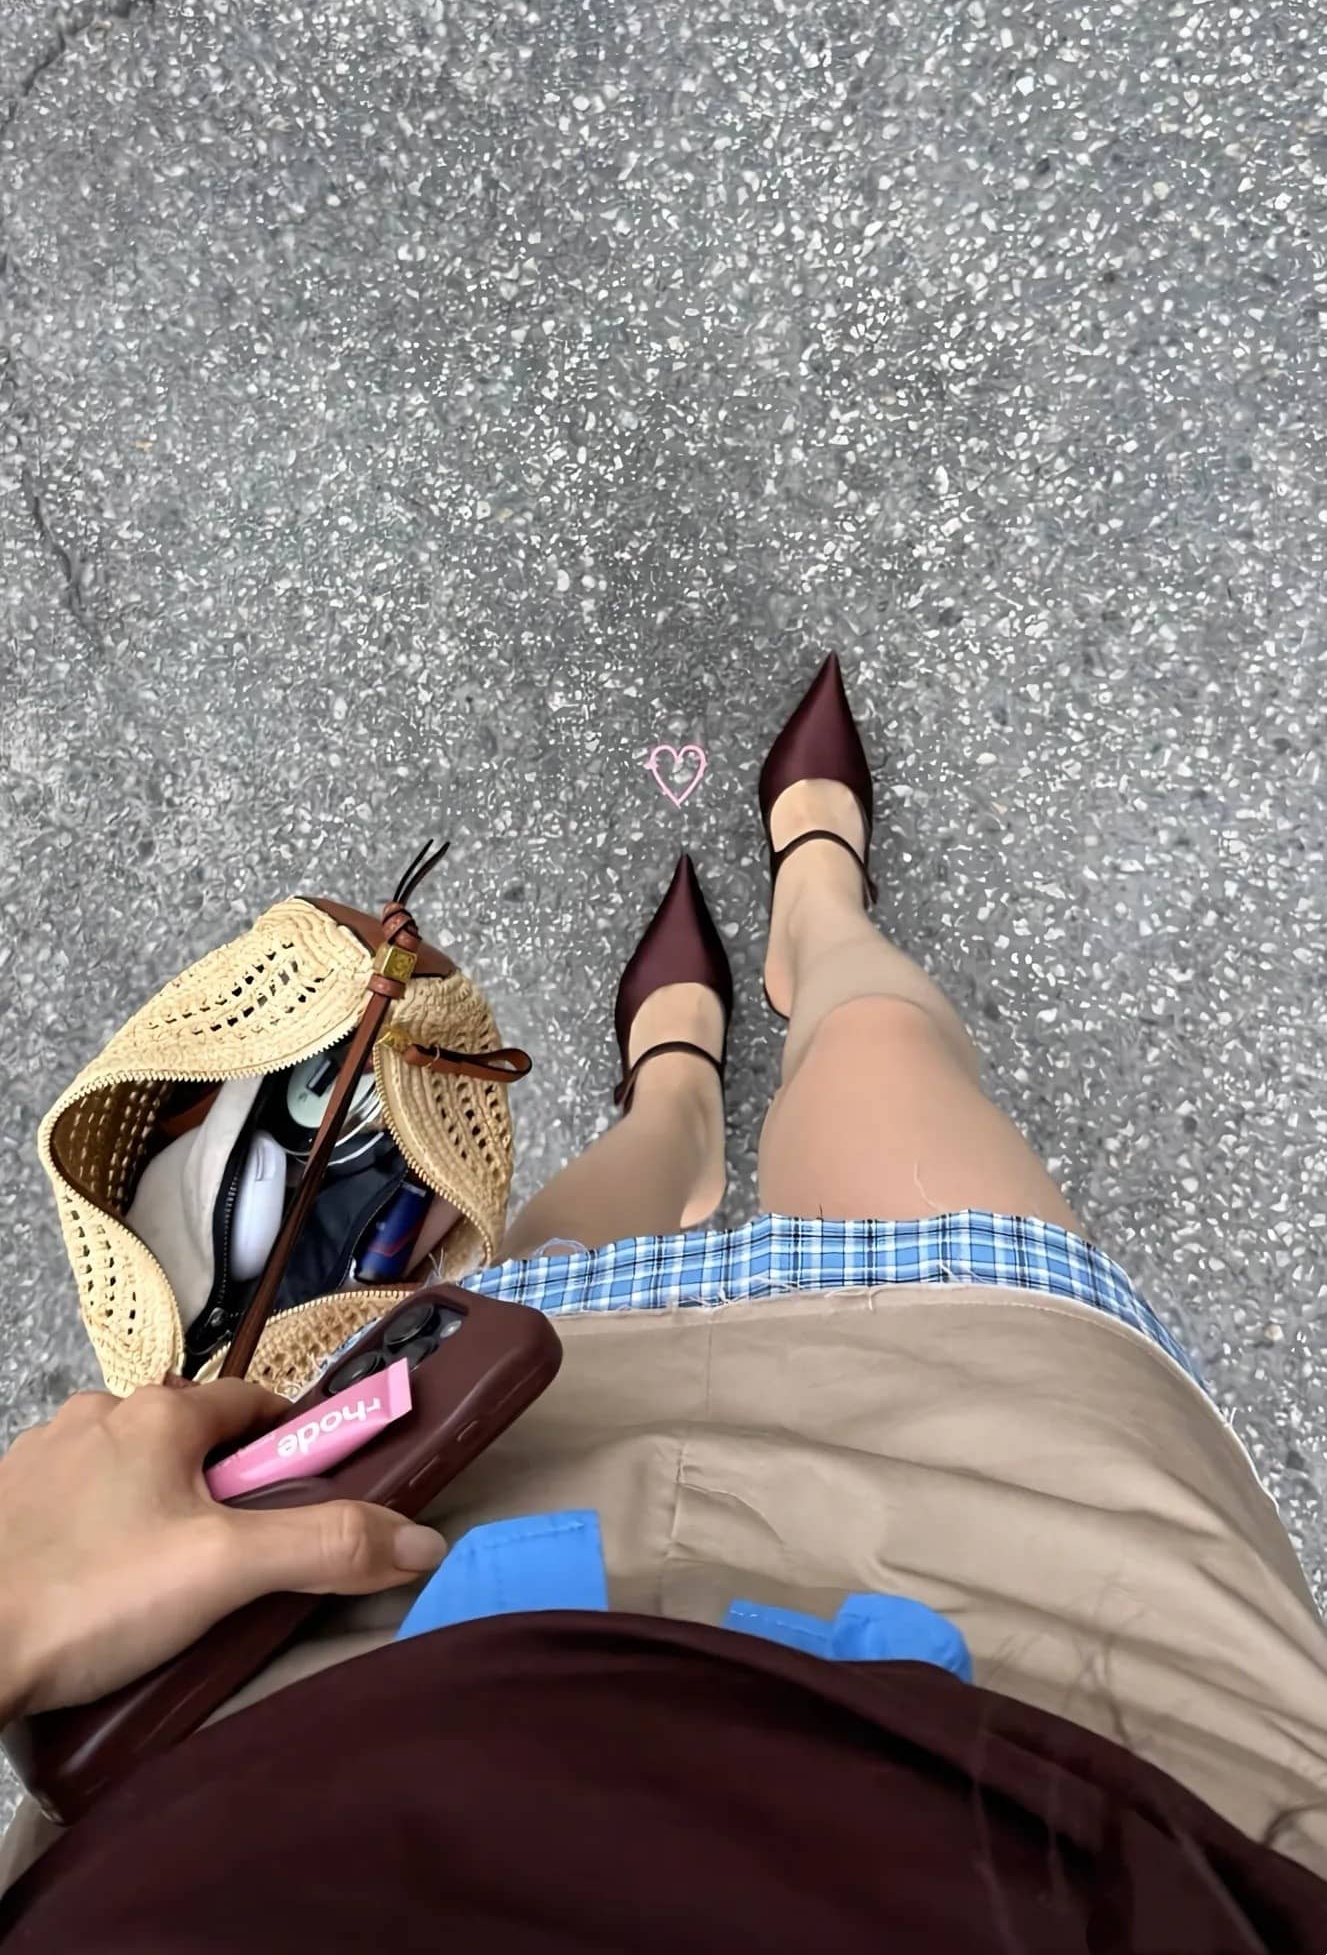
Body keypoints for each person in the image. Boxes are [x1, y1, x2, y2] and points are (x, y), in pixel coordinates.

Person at [3, 652, 1327, 1950]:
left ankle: (677, 1096)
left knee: (584, 1234)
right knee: (884, 1055)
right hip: (1067, 1649)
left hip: (400, 1589)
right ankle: (819, 913)